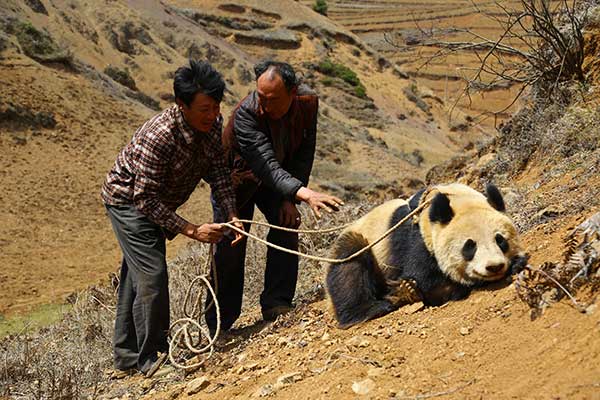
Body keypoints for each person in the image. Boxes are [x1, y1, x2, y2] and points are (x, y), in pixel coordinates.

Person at [101, 59, 243, 378]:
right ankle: (152, 358)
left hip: (158, 202)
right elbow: (143, 198)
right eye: (205, 108)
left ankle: (126, 357)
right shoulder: (161, 135)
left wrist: (232, 213)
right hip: (129, 203)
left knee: (137, 274)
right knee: (152, 275)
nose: (213, 115)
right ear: (182, 104)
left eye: (217, 107)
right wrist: (192, 229)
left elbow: (218, 172)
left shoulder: (211, 127)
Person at [205, 60, 343, 335]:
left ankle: (277, 303)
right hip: (236, 180)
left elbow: (304, 153)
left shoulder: (307, 103)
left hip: (278, 180)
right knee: (231, 243)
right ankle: (219, 326)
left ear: (293, 92)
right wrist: (304, 193)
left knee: (286, 223)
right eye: (261, 97)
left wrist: (290, 199)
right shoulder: (246, 114)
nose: (264, 106)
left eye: (273, 99)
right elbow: (263, 162)